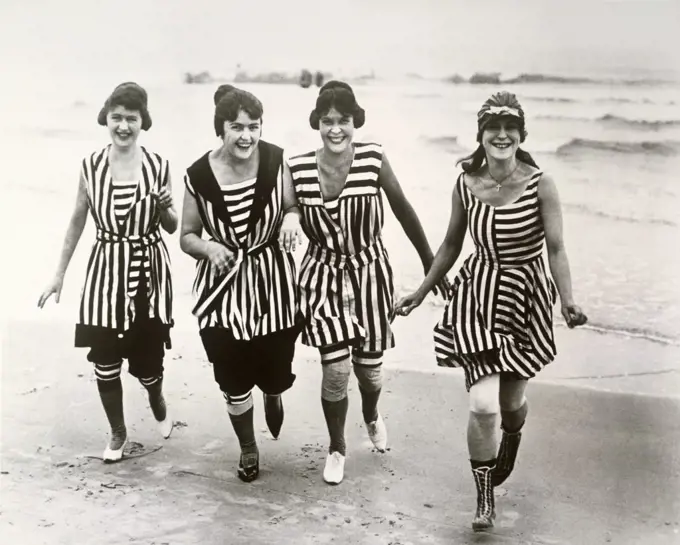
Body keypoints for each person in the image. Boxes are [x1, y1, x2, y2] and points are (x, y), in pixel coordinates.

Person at [395, 91, 588, 530]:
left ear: (521, 135)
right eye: (492, 128)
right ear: (480, 135)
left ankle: (513, 437)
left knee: (511, 404)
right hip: (477, 297)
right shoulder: (466, 183)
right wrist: (421, 291)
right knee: (483, 407)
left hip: (524, 298)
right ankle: (484, 499)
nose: (501, 135)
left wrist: (568, 299)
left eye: (510, 128)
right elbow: (450, 245)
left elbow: (556, 248)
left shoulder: (542, 183)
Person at [288, 80, 449, 485]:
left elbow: (405, 212)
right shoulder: (299, 168)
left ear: (355, 121)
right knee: (336, 371)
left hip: (370, 274)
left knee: (370, 374)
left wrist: (433, 269)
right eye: (328, 121)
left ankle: (372, 414)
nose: (336, 129)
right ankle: (337, 447)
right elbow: (280, 211)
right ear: (317, 123)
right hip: (321, 275)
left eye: (343, 120)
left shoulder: (374, 158)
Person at [38, 82, 177, 462]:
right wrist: (59, 274)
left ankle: (156, 395)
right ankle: (117, 431)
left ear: (142, 121)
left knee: (148, 366)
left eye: (131, 118)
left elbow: (172, 226)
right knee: (105, 359)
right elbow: (76, 222)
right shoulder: (91, 166)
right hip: (105, 273)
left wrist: (166, 207)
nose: (123, 126)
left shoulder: (159, 165)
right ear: (106, 119)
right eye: (116, 117)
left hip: (148, 273)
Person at [179, 85, 303, 483]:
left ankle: (273, 390)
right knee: (231, 377)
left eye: (254, 126)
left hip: (274, 287)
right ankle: (249, 448)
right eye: (237, 127)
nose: (247, 136)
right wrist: (209, 249)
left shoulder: (277, 160)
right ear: (221, 129)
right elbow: (186, 235)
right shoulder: (197, 174)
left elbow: (292, 206)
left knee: (275, 369)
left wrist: (290, 218)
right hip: (222, 289)